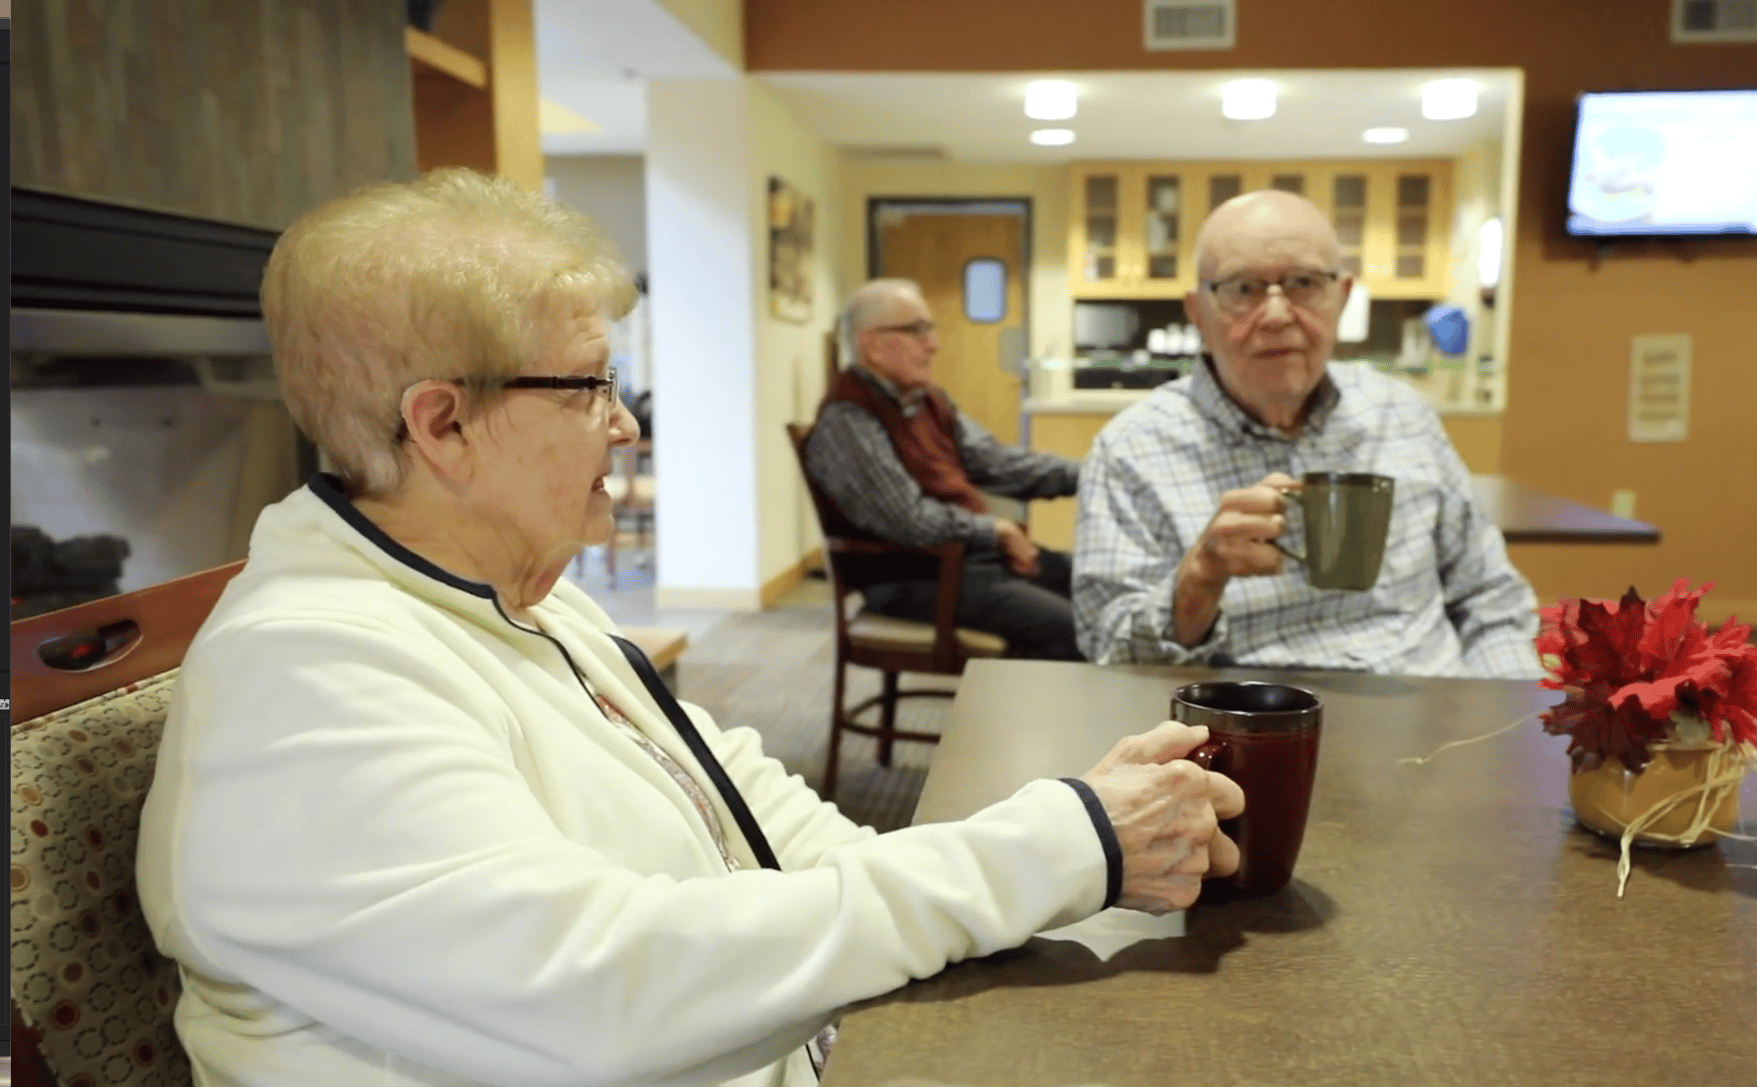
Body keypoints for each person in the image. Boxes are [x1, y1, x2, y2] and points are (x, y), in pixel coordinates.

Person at [134, 169, 1244, 1087]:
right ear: (444, 424)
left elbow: (755, 817)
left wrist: (1054, 848)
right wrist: (1060, 845)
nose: (622, 425)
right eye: (587, 387)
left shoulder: (531, 603)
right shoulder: (307, 674)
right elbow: (599, 997)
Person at [1073, 190, 1540, 678]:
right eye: (1243, 288)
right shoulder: (1131, 449)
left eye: (1304, 283)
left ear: (1342, 297)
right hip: (1252, 714)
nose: (1277, 316)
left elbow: (1489, 597)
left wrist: (1513, 712)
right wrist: (1199, 580)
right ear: (1198, 314)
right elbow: (1109, 653)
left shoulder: (1402, 416)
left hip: (1432, 704)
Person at [805, 279, 1083, 660]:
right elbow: (908, 519)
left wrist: (1092, 473)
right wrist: (995, 530)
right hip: (911, 578)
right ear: (873, 346)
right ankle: (1004, 697)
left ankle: (1008, 687)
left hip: (966, 561)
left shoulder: (925, 401)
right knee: (1074, 630)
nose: (933, 343)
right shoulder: (849, 419)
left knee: (1097, 585)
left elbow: (998, 463)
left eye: (930, 329)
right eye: (917, 330)